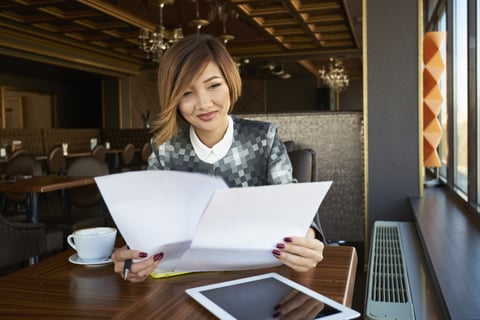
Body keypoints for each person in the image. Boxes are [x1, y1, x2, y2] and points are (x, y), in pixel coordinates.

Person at [112, 33, 325, 282]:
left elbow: (292, 209)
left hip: (259, 277)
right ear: (173, 99)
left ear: (230, 83)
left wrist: (308, 238)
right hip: (187, 284)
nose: (203, 103)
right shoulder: (164, 150)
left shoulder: (263, 138)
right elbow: (148, 227)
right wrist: (134, 258)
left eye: (213, 85)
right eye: (186, 93)